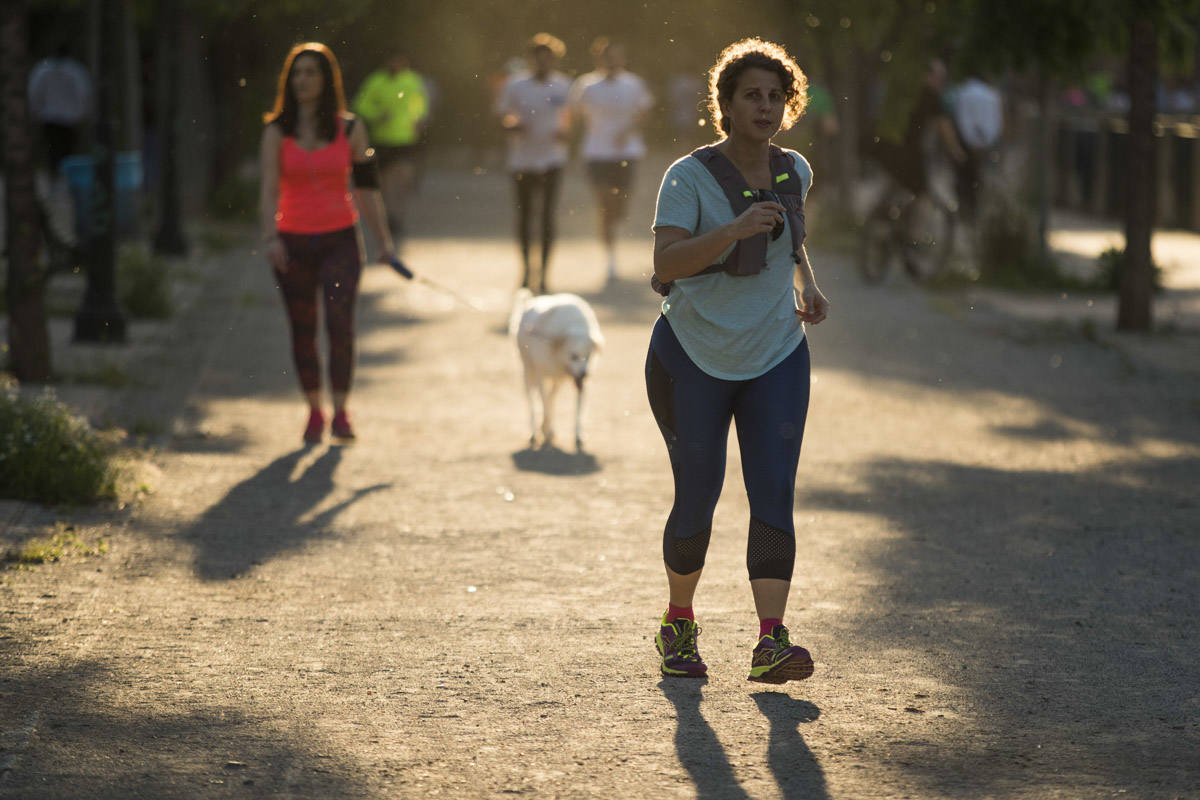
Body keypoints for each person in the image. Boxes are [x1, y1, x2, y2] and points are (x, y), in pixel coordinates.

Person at [645, 38, 830, 683]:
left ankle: (771, 641)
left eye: (776, 96)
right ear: (724, 104)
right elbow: (666, 265)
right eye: (751, 95)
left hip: (776, 354)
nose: (765, 106)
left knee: (774, 493)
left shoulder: (794, 170)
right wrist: (731, 231)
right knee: (698, 494)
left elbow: (792, 238)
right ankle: (679, 626)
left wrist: (808, 284)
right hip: (692, 356)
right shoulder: (688, 177)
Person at [259, 43, 396, 444]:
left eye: (311, 73)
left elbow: (368, 189)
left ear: (326, 80)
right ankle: (314, 410)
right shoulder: (275, 132)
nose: (303, 80)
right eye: (296, 74)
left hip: (341, 239)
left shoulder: (352, 129)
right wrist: (270, 238)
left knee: (341, 327)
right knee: (303, 329)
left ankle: (341, 410)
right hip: (292, 242)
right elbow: (268, 190)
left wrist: (385, 243)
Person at [568, 38, 654, 282]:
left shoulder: (634, 84)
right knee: (604, 202)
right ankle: (610, 257)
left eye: (617, 56)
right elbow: (573, 116)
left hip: (627, 153)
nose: (612, 61)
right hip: (596, 152)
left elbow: (644, 113)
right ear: (599, 59)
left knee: (619, 205)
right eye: (608, 56)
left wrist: (627, 130)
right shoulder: (586, 85)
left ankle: (612, 230)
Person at [494, 33, 571, 293]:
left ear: (554, 60)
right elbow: (504, 114)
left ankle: (545, 274)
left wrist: (566, 131)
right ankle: (527, 270)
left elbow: (571, 117)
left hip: (552, 158)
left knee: (548, 216)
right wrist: (513, 125)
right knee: (525, 216)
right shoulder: (515, 85)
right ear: (530, 59)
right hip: (522, 159)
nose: (542, 63)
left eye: (547, 59)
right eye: (538, 59)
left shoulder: (563, 85)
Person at [352, 51, 428, 242]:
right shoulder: (377, 81)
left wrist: (418, 118)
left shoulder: (412, 80)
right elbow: (361, 103)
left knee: (402, 176)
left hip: (405, 138)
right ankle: (386, 214)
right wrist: (377, 115)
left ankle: (397, 215)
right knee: (384, 180)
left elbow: (419, 101)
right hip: (383, 138)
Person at [27, 45, 92, 177]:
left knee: (53, 150)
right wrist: (82, 113)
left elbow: (34, 92)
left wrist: (35, 112)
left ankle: (55, 177)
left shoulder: (43, 68)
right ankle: (65, 178)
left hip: (49, 116)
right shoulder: (75, 70)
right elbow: (82, 93)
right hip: (69, 118)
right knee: (67, 150)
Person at [949, 73, 1002, 221]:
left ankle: (966, 211)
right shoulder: (992, 95)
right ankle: (975, 211)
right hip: (985, 143)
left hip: (967, 143)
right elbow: (996, 122)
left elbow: (961, 120)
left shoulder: (964, 92)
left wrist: (970, 139)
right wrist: (986, 141)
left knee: (965, 179)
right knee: (979, 180)